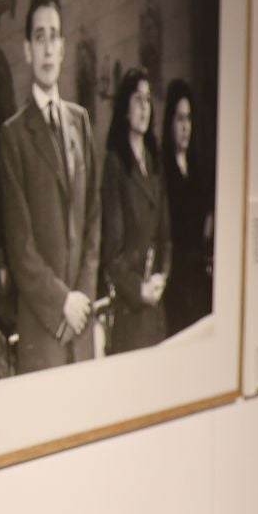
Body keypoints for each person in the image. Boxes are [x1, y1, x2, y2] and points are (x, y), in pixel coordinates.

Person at [0, 0, 101, 372]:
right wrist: (62, 303)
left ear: (63, 48)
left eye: (54, 36)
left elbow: (93, 219)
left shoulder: (81, 121)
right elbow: (20, 245)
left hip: (82, 325)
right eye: (38, 37)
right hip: (44, 332)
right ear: (27, 50)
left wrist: (83, 300)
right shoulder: (13, 135)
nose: (47, 46)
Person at [101, 67, 170, 353]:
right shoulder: (115, 165)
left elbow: (166, 236)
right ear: (125, 110)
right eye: (137, 100)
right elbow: (112, 254)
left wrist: (161, 277)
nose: (145, 107)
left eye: (148, 100)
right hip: (131, 311)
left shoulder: (155, 164)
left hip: (156, 305)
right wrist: (138, 289)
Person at [162, 78, 213, 334]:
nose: (185, 127)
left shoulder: (198, 169)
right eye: (180, 119)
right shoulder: (163, 170)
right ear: (170, 122)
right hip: (175, 283)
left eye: (189, 119)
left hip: (199, 278)